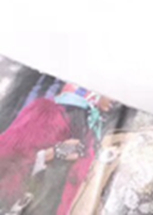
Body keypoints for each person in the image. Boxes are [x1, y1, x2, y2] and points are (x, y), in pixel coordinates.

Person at [0, 85, 116, 215]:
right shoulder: (51, 114)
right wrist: (51, 154)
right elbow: (8, 159)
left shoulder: (96, 128)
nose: (115, 100)